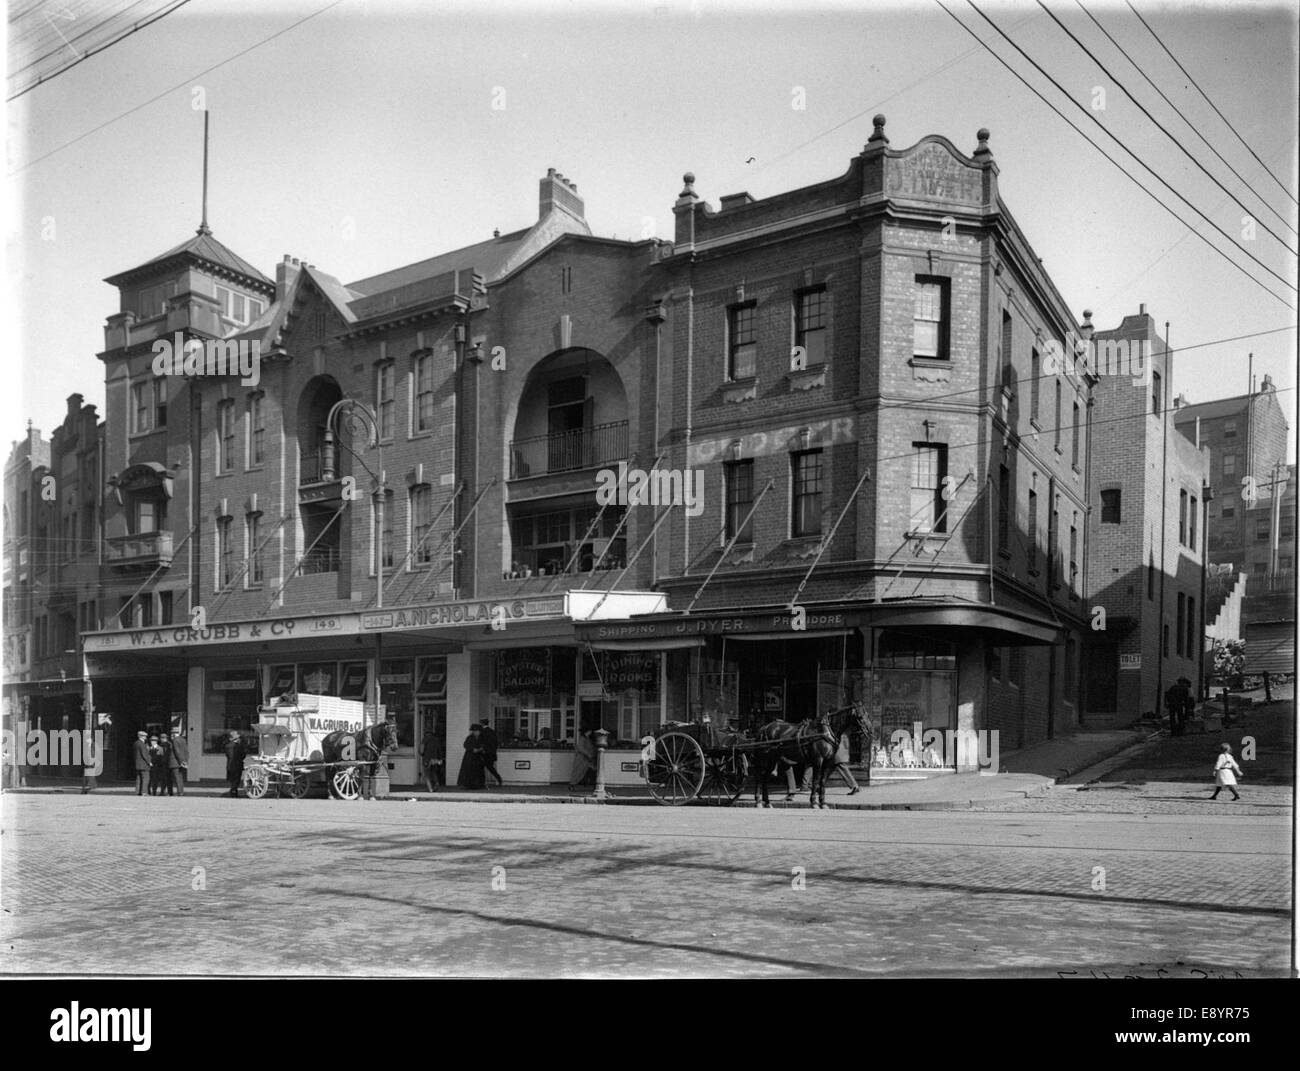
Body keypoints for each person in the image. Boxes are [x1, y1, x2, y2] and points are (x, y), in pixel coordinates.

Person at [456, 724, 486, 789]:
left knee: (478, 771)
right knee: (469, 770)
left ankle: (478, 784)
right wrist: (472, 749)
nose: (476, 733)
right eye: (475, 731)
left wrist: (481, 749)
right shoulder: (470, 738)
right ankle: (468, 784)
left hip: (478, 756)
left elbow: (484, 744)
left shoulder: (481, 738)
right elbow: (465, 745)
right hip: (470, 756)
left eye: (477, 731)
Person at [420, 721, 445, 792]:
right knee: (433, 773)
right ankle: (436, 784)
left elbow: (421, 750)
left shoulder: (424, 739)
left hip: (427, 759)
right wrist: (440, 759)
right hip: (435, 759)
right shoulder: (436, 739)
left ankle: (430, 789)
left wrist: (422, 754)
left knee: (427, 774)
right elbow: (439, 750)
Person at [479, 719, 504, 787]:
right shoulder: (492, 731)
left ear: (482, 723)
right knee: (490, 767)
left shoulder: (482, 732)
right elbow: (495, 743)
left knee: (481, 768)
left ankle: (482, 782)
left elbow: (481, 742)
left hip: (484, 753)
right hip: (492, 753)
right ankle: (499, 779)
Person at [224, 730, 245, 797]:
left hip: (229, 765)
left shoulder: (227, 746)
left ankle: (233, 790)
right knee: (236, 779)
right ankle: (233, 791)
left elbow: (227, 755)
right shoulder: (239, 746)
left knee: (232, 779)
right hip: (238, 764)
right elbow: (243, 755)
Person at [168, 729, 189, 796]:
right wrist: (185, 761)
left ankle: (179, 792)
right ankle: (181, 791)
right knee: (180, 777)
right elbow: (186, 751)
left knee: (176, 778)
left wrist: (181, 761)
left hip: (176, 762)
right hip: (182, 761)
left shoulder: (175, 740)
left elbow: (177, 752)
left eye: (172, 733)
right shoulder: (183, 740)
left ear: (173, 734)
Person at [133, 730, 152, 796]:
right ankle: (144, 792)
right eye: (144, 736)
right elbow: (144, 754)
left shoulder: (136, 743)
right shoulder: (142, 744)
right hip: (144, 764)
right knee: (146, 778)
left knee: (139, 778)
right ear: (141, 736)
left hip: (138, 764)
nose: (145, 737)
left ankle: (138, 791)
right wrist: (149, 762)